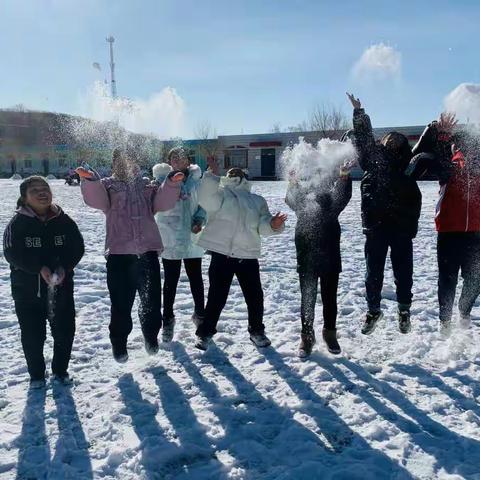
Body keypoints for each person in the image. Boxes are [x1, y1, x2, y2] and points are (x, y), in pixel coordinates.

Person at [76, 148, 183, 362]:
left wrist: (171, 183)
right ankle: (119, 343)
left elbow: (162, 203)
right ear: (115, 164)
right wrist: (90, 181)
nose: (126, 165)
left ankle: (151, 337)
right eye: (121, 161)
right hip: (119, 254)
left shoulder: (146, 184)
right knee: (121, 302)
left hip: (148, 253)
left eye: (130, 160)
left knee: (151, 301)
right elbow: (98, 201)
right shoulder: (108, 184)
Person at [347, 92, 422, 335]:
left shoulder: (406, 168)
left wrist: (410, 228)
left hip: (400, 229)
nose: (392, 141)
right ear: (382, 141)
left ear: (402, 148)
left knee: (404, 272)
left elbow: (416, 201)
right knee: (373, 273)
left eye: (397, 140)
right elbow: (364, 138)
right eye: (389, 138)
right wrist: (359, 112)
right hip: (376, 227)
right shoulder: (373, 160)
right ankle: (373, 311)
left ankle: (404, 311)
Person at [194, 162, 287, 350]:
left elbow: (262, 226)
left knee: (255, 297)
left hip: (248, 256)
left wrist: (274, 224)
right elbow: (205, 199)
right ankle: (205, 334)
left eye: (238, 173)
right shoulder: (220, 195)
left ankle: (257, 331)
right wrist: (211, 174)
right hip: (222, 256)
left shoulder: (257, 200)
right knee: (216, 297)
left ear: (245, 178)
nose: (234, 173)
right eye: (230, 172)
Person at [3, 176, 84, 387]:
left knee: (65, 331)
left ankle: (60, 371)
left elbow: (77, 246)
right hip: (27, 293)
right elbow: (12, 252)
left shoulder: (63, 220)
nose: (42, 193)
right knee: (33, 336)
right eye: (35, 190)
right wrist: (39, 268)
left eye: (45, 188)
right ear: (24, 198)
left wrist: (64, 267)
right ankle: (37, 376)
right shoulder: (18, 223)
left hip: (62, 289)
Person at [409, 113, 480, 334]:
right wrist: (442, 135)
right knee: (447, 278)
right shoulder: (448, 165)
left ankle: (464, 310)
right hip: (449, 229)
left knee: (476, 278)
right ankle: (445, 320)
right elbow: (436, 159)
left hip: (477, 232)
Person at [285, 146, 353, 357]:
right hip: (306, 254)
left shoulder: (332, 202)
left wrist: (343, 176)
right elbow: (291, 198)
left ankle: (329, 333)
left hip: (330, 254)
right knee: (307, 296)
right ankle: (307, 335)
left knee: (329, 296)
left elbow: (343, 196)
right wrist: (293, 182)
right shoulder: (302, 202)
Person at [152, 147, 206, 342]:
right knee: (171, 282)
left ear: (188, 161)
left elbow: (203, 205)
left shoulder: (195, 182)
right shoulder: (160, 181)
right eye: (174, 158)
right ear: (169, 162)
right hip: (170, 237)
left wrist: (200, 220)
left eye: (182, 158)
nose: (178, 160)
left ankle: (200, 316)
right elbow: (156, 205)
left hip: (192, 238)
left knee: (196, 280)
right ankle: (167, 319)